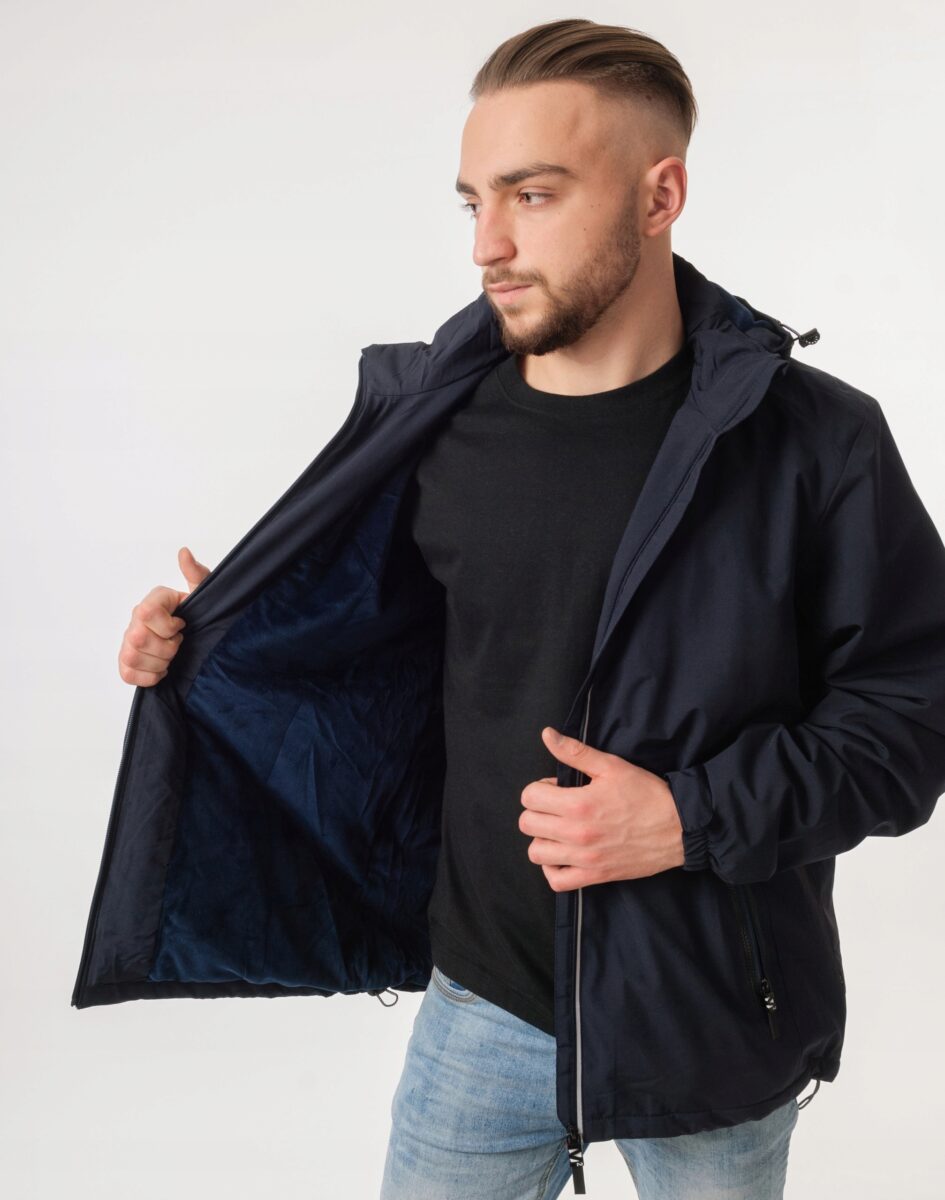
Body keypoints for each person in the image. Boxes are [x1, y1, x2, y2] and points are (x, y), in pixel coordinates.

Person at [85, 18, 945, 1200]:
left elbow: (913, 720)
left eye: (533, 195)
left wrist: (687, 818)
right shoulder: (436, 424)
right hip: (480, 1009)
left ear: (661, 195)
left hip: (715, 1021)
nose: (488, 243)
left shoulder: (814, 443)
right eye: (474, 201)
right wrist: (216, 644)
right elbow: (376, 657)